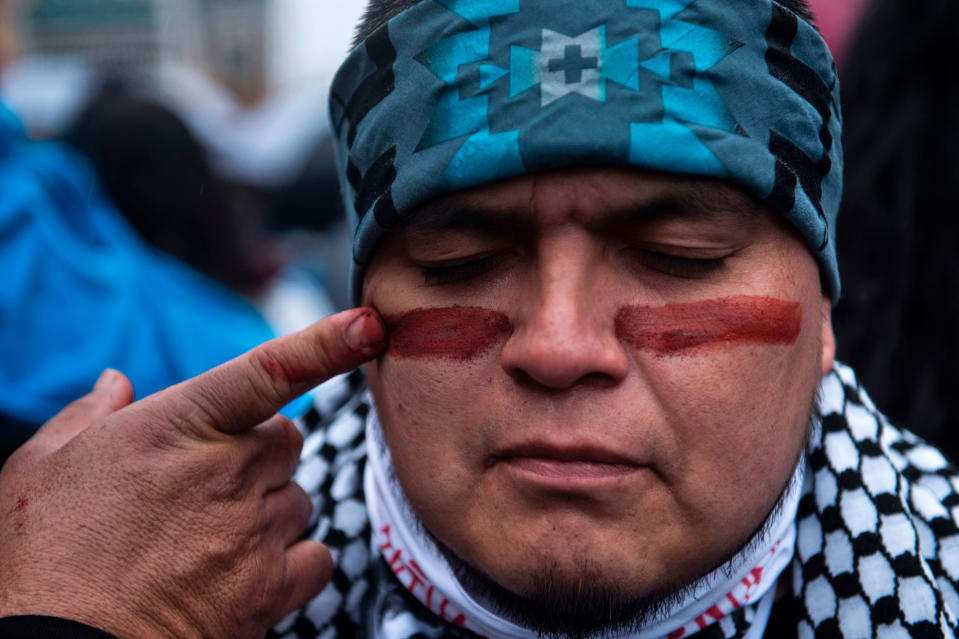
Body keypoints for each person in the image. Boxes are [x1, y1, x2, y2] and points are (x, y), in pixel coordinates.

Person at [2, 1, 958, 638]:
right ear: (359, 319)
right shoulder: (160, 604)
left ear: (825, 314)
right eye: (460, 262)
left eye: (678, 258)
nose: (557, 344)